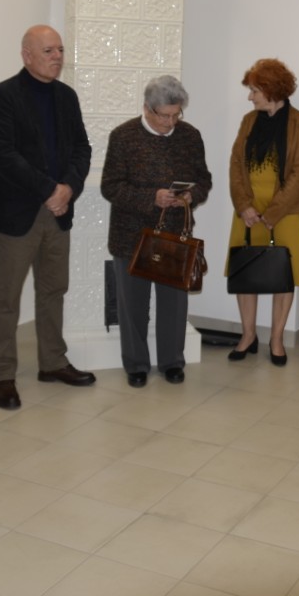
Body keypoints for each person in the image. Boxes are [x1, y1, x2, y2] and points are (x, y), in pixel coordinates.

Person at [0, 25, 94, 411]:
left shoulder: (66, 96)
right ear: (26, 55)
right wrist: (50, 190)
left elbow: (82, 148)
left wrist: (68, 188)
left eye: (60, 50)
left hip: (58, 213)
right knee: (6, 297)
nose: (57, 57)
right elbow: (3, 155)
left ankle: (53, 362)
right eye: (48, 51)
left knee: (53, 290)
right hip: (17, 214)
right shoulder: (3, 96)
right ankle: (2, 375)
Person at [101, 76, 212, 387]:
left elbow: (203, 180)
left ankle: (172, 362)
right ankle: (136, 365)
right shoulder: (123, 136)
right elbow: (111, 186)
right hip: (130, 236)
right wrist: (152, 198)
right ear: (147, 109)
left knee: (174, 304)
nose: (170, 122)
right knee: (132, 306)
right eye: (164, 115)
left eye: (176, 114)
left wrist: (190, 195)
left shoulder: (190, 136)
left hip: (174, 236)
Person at [226, 59, 299, 366]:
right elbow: (236, 164)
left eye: (254, 90)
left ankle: (276, 339)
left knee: (282, 275)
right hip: (249, 210)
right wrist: (244, 206)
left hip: (286, 212)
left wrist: (272, 213)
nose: (250, 97)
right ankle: (248, 335)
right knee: (246, 270)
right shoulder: (249, 121)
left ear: (271, 90)